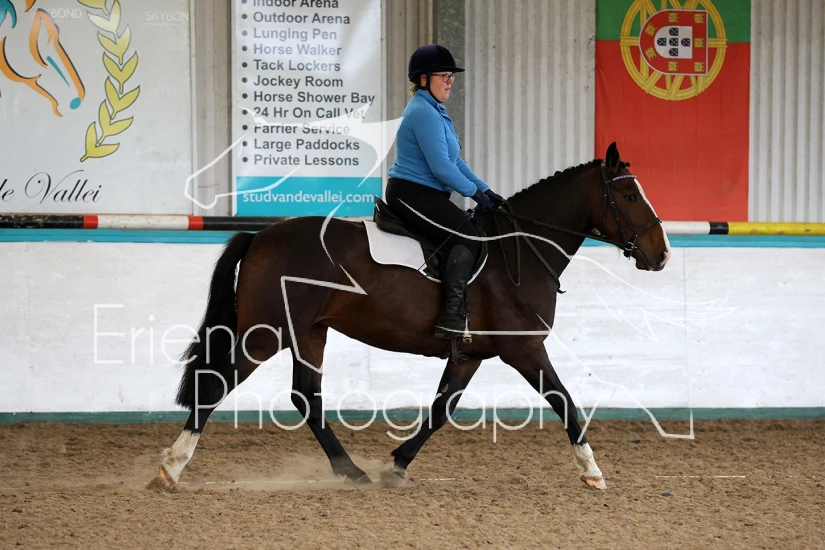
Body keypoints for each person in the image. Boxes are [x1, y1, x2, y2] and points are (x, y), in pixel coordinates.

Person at [386, 44, 505, 338]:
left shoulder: (436, 111)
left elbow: (455, 161)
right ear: (423, 79)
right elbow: (441, 168)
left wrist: (485, 190)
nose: (450, 81)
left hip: (426, 194)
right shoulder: (423, 113)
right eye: (444, 76)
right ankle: (450, 316)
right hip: (410, 194)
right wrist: (474, 194)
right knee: (469, 237)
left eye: (452, 76)